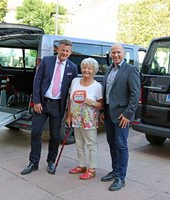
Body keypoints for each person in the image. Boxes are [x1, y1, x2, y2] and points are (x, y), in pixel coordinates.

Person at [21, 39, 78, 175]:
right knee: (35, 132)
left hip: (58, 106)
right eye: (62, 50)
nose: (64, 53)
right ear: (57, 49)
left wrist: (71, 112)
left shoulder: (73, 68)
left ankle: (51, 162)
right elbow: (37, 81)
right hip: (42, 103)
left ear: (70, 53)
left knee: (55, 136)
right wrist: (36, 101)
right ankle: (33, 163)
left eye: (67, 51)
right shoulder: (47, 61)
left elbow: (73, 89)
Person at [100, 43, 140, 191]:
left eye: (118, 52)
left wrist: (128, 114)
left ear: (124, 54)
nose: (116, 55)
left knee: (121, 145)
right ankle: (115, 170)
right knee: (112, 143)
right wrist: (103, 111)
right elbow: (106, 92)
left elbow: (135, 94)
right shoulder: (109, 69)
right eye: (113, 53)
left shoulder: (131, 70)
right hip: (109, 112)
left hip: (122, 115)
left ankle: (121, 177)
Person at [66, 58, 103, 180]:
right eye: (84, 68)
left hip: (89, 120)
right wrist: (69, 116)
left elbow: (101, 105)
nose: (86, 70)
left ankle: (92, 169)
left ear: (94, 71)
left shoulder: (97, 86)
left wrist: (92, 102)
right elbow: (70, 100)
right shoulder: (75, 81)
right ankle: (81, 165)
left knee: (91, 144)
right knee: (79, 143)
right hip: (76, 118)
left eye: (89, 68)